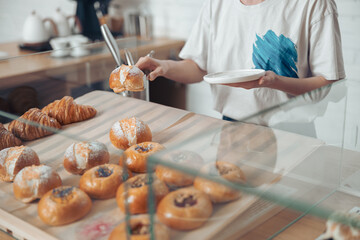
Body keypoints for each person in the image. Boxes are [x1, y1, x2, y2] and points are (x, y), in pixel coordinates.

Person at [136, 0, 345, 125]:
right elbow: (198, 67)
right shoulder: (217, 4)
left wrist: (274, 82)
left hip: (294, 133)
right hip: (231, 127)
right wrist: (164, 67)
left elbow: (327, 83)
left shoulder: (314, 4)